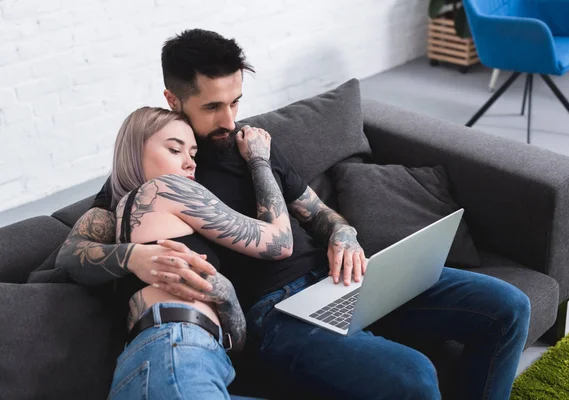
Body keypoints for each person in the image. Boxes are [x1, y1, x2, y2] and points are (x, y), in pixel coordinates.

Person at [57, 29, 531, 399]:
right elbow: (74, 251)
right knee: (413, 377)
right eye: (213, 106)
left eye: (236, 101)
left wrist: (343, 234)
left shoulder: (253, 144)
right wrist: (132, 258)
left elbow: (320, 213)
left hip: (343, 281)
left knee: (509, 308)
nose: (230, 120)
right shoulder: (162, 163)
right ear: (173, 100)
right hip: (276, 315)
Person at [101, 106, 289, 399]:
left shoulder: (118, 218)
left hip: (175, 358)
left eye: (193, 154)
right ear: (135, 151)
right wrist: (259, 161)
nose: (190, 164)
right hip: (176, 351)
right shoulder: (164, 188)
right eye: (175, 150)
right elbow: (280, 241)